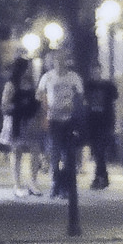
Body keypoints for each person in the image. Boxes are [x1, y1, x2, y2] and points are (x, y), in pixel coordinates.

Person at [37, 51, 86, 199]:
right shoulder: (48, 77)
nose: (59, 64)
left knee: (67, 155)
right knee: (54, 153)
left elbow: (80, 96)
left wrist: (73, 106)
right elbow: (39, 94)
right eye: (56, 62)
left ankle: (65, 186)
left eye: (61, 61)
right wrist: (45, 106)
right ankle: (55, 184)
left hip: (69, 120)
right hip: (53, 120)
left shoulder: (73, 78)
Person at [1, 56, 46, 197]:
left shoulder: (32, 83)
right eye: (28, 67)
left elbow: (37, 99)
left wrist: (37, 110)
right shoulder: (12, 84)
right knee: (17, 152)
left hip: (31, 121)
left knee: (35, 150)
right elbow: (5, 105)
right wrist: (19, 108)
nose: (30, 70)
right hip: (17, 121)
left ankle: (33, 182)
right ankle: (17, 184)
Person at [82, 65, 119, 189]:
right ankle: (103, 177)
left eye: (98, 71)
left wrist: (116, 122)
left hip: (105, 122)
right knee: (97, 152)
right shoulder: (88, 86)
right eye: (94, 72)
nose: (96, 74)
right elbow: (84, 102)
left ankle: (99, 178)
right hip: (92, 123)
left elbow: (116, 101)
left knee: (100, 151)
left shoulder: (108, 86)